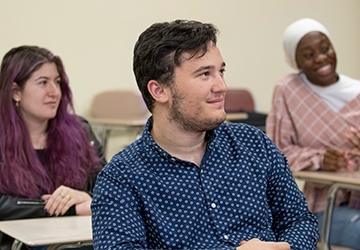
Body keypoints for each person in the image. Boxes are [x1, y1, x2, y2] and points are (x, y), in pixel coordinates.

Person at [91, 20, 319, 250]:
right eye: (204, 74)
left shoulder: (253, 144)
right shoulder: (121, 179)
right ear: (159, 90)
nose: (221, 86)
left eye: (220, 71)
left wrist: (286, 247)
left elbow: (300, 221)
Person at [0, 45, 107, 250]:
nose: (54, 92)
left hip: (78, 241)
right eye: (43, 83)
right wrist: (71, 208)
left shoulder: (81, 131)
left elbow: (111, 189)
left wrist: (89, 198)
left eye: (57, 82)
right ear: (16, 92)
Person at [266, 18, 360, 249]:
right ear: (295, 62)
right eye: (308, 55)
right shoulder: (289, 90)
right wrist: (320, 159)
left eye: (325, 49)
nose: (321, 59)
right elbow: (276, 155)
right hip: (323, 206)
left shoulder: (357, 91)